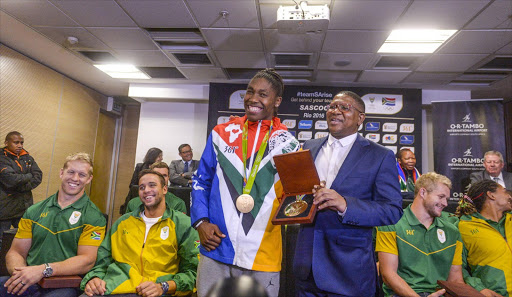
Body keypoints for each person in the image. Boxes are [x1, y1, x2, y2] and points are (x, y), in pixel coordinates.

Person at [191, 69, 299, 297]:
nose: (253, 99)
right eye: (250, 91)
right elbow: (201, 180)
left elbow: (297, 196)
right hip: (216, 247)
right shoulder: (221, 134)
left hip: (263, 253)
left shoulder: (288, 144)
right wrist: (201, 222)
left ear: (277, 101)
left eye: (263, 94)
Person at [293, 91, 403, 297]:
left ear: (361, 118)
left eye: (345, 107)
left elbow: (392, 210)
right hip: (306, 267)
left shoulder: (380, 156)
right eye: (332, 106)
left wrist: (346, 204)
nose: (335, 111)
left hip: (349, 272)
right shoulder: (309, 147)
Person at [0, 152, 106, 297]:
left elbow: (86, 261)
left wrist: (43, 270)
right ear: (62, 173)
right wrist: (21, 275)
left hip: (65, 286)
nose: (75, 178)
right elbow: (16, 252)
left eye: (82, 174)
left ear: (89, 179)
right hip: (30, 280)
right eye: (71, 172)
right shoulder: (34, 211)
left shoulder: (94, 217)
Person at [80, 170, 199, 297]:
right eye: (142, 187)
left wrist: (164, 286)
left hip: (157, 291)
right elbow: (102, 260)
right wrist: (95, 278)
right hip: (114, 287)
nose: (146, 190)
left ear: (165, 189)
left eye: (152, 185)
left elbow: (193, 272)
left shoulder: (183, 224)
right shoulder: (122, 223)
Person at [376, 172, 464, 297]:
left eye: (447, 199)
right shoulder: (391, 224)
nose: (445, 203)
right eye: (441, 197)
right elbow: (388, 274)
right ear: (423, 193)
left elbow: (455, 280)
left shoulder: (452, 232)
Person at [456, 179, 512, 296]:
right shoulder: (464, 227)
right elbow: (457, 268)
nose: (509, 196)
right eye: (505, 191)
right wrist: (479, 288)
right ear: (491, 195)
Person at [0, 131, 43, 246]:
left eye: (21, 143)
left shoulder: (27, 158)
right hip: (5, 210)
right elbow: (10, 180)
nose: (20, 145)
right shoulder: (2, 158)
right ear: (6, 142)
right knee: (2, 243)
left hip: (24, 208)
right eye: (16, 142)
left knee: (26, 241)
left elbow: (38, 176)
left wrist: (22, 186)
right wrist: (29, 176)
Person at [120, 147, 163, 213]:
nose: (161, 158)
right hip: (137, 196)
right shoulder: (140, 166)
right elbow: (132, 184)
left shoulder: (161, 169)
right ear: (153, 156)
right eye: (159, 156)